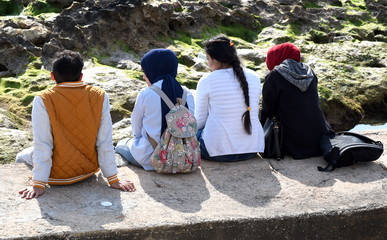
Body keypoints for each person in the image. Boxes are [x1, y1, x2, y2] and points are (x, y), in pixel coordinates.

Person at [17, 50, 136, 199]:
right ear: (81, 76)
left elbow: (43, 144)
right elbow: (105, 141)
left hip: (57, 177)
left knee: (20, 157)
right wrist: (113, 179)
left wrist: (38, 184)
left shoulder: (43, 99)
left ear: (52, 76)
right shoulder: (100, 95)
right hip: (88, 170)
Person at [115, 49, 195, 170]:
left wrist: (138, 139)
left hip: (151, 157)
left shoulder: (147, 93)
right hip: (184, 157)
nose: (143, 76)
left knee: (121, 145)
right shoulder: (187, 93)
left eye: (145, 71)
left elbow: (136, 128)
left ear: (153, 70)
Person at [195, 35, 264, 161]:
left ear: (215, 59)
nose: (208, 63)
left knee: (194, 132)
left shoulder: (207, 80)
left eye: (208, 58)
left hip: (215, 152)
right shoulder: (254, 76)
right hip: (252, 149)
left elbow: (199, 121)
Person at [260, 42, 330, 159]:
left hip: (293, 143)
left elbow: (268, 110)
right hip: (320, 138)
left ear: (276, 56)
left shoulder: (275, 76)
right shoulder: (310, 72)